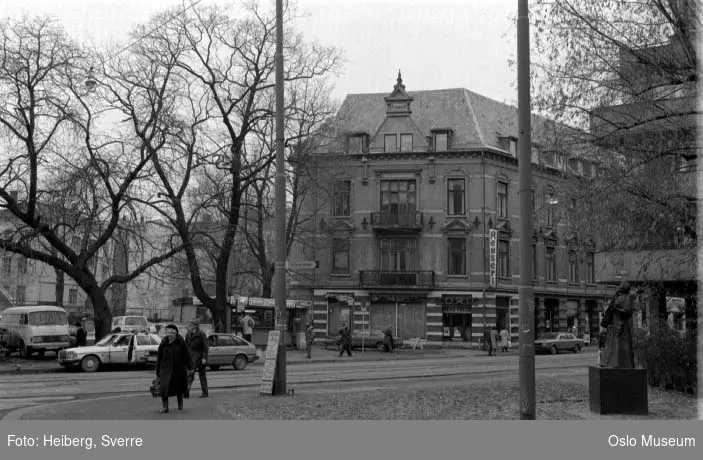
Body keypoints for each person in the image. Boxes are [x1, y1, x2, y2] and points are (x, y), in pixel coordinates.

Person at [156, 324, 193, 413]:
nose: (170, 334)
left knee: (179, 388)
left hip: (178, 368)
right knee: (164, 387)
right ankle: (165, 407)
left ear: (176, 333)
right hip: (165, 369)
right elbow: (159, 358)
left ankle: (180, 405)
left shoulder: (181, 342)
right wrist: (158, 371)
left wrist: (190, 367)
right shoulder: (163, 343)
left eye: (172, 332)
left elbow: (187, 355)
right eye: (168, 332)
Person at [600, 281, 635, 368]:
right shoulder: (617, 297)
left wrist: (616, 310)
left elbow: (628, 311)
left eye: (621, 287)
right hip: (614, 324)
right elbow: (612, 309)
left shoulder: (627, 298)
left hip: (622, 325)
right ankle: (611, 362)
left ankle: (621, 363)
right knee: (612, 344)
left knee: (621, 345)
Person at [185, 319, 209, 398]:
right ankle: (186, 392)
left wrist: (204, 358)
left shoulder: (201, 334)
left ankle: (205, 393)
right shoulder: (188, 334)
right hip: (191, 357)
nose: (189, 326)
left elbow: (206, 347)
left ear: (195, 326)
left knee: (202, 376)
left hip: (200, 357)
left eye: (191, 325)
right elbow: (186, 346)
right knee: (190, 375)